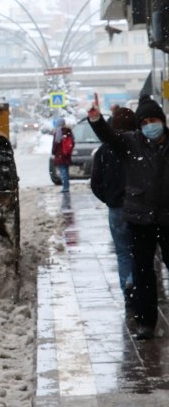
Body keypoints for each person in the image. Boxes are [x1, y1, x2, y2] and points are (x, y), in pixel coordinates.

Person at [87, 95, 169, 340]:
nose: (149, 126)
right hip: (140, 217)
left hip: (167, 217)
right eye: (144, 122)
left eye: (153, 120)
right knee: (143, 271)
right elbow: (109, 138)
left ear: (162, 121)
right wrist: (97, 120)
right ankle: (145, 322)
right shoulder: (132, 142)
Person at [90, 107, 137, 304]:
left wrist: (110, 199)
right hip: (139, 207)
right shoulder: (139, 146)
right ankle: (138, 282)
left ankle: (128, 289)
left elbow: (95, 183)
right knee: (142, 250)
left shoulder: (103, 151)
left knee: (123, 252)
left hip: (116, 209)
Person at [51, 118, 74, 193]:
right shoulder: (68, 131)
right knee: (66, 170)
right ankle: (66, 186)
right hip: (67, 154)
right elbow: (73, 142)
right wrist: (67, 150)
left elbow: (55, 144)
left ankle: (65, 187)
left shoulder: (58, 132)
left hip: (60, 155)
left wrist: (53, 152)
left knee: (63, 171)